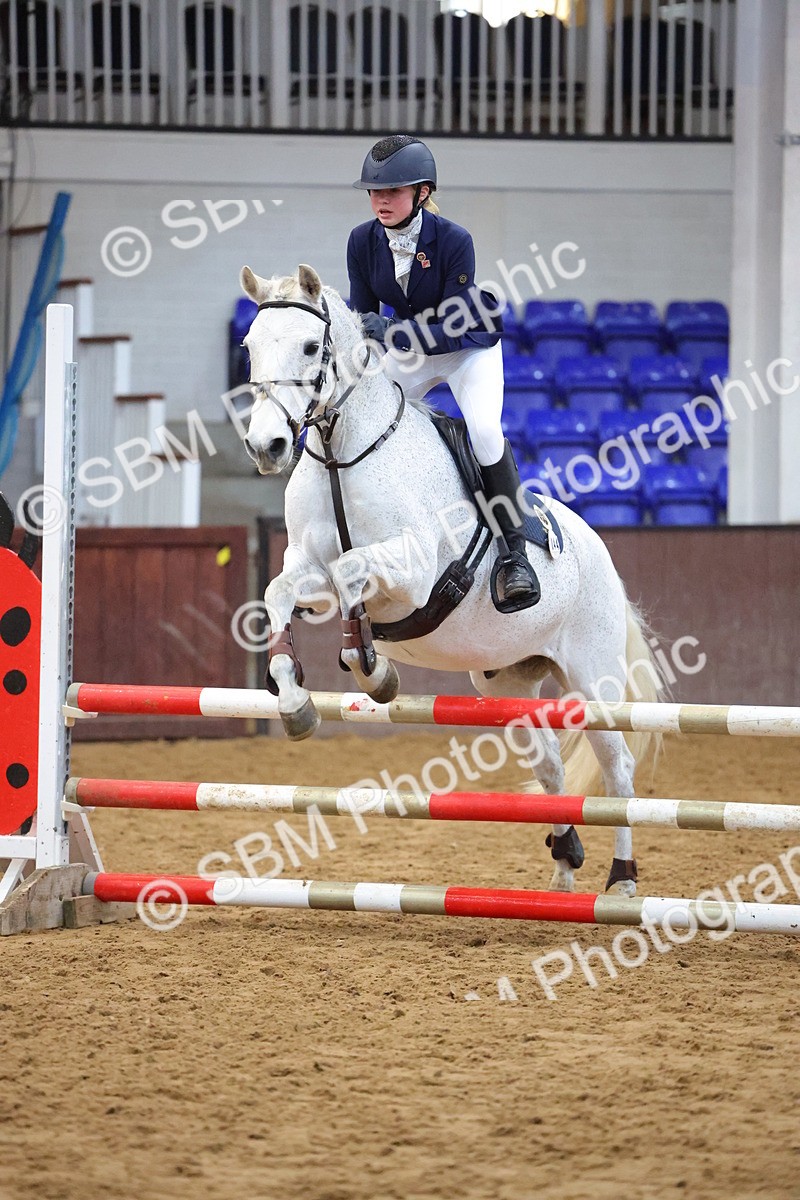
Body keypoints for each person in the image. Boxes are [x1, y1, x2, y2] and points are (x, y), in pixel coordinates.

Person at [347, 134, 537, 605]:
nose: (380, 201)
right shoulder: (361, 241)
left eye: (391, 191)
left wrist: (388, 332)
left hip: (464, 347)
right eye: (374, 192)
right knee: (364, 412)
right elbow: (362, 321)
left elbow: (447, 327)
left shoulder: (453, 241)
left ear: (423, 192)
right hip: (410, 349)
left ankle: (516, 555)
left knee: (486, 432)